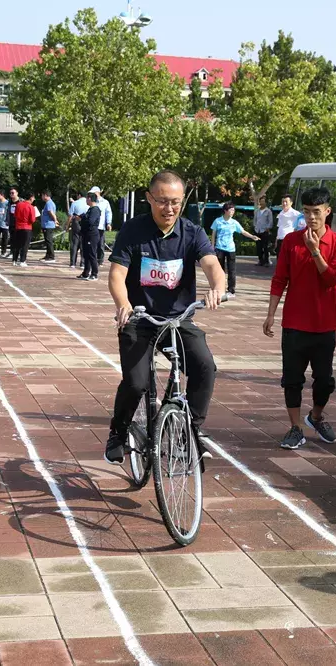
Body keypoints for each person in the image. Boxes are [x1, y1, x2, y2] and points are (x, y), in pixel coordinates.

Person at [104, 169, 227, 464]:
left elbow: (211, 264)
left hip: (178, 319)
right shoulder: (133, 231)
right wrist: (124, 304)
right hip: (140, 320)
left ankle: (190, 432)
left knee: (204, 367)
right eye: (161, 201)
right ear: (149, 199)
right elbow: (117, 275)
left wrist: (217, 288)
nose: (169, 208)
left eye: (175, 202)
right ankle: (117, 433)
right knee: (136, 383)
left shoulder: (192, 232)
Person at [264, 186, 336, 450]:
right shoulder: (290, 241)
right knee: (292, 378)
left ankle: (316, 416)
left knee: (324, 380)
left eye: (317, 212)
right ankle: (296, 426)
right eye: (308, 212)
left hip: (324, 324)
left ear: (327, 211)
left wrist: (315, 251)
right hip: (294, 323)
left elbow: (332, 278)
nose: (312, 217)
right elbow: (280, 279)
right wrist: (270, 314)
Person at [210, 202, 259, 297]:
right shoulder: (218, 221)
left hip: (231, 249)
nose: (232, 212)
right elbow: (213, 233)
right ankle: (219, 289)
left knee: (232, 270)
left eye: (233, 210)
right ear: (225, 211)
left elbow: (243, 231)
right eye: (231, 210)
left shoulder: (234, 222)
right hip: (219, 248)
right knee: (220, 270)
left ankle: (231, 290)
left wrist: (252, 236)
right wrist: (212, 246)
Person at [77, 193, 102, 281]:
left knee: (92, 254)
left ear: (90, 199)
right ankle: (86, 273)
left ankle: (94, 273)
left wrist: (83, 217)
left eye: (87, 199)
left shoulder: (95, 210)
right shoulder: (90, 209)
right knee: (86, 254)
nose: (86, 201)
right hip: (86, 234)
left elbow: (90, 221)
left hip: (92, 235)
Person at [10, 187, 34, 267]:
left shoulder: (18, 205)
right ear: (31, 198)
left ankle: (14, 260)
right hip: (27, 227)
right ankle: (22, 261)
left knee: (17, 244)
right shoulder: (30, 207)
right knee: (25, 245)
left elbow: (15, 215)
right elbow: (32, 219)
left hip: (18, 227)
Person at [90, 186, 112, 266]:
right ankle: (93, 259)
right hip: (92, 226)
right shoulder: (91, 201)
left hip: (101, 226)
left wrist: (108, 223)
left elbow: (108, 213)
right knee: (93, 244)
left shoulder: (105, 202)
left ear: (97, 192)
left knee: (101, 244)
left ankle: (100, 260)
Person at [67, 191, 87, 268]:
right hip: (84, 222)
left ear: (79, 195)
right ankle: (83, 263)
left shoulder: (75, 203)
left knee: (74, 243)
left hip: (76, 222)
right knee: (83, 243)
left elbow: (70, 216)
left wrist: (67, 226)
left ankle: (72, 263)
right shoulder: (88, 203)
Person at [254, 196, 274, 266]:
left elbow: (270, 221)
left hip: (265, 231)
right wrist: (255, 227)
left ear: (266, 203)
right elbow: (255, 220)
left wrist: (267, 229)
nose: (262, 203)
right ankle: (260, 260)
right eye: (261, 201)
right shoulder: (257, 211)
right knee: (258, 247)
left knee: (265, 247)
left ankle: (266, 261)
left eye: (263, 201)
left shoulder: (268, 211)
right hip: (257, 231)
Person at [41, 191, 58, 262]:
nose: (41, 197)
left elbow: (51, 212)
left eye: (42, 195)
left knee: (49, 241)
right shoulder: (48, 203)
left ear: (46, 195)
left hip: (48, 225)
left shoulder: (49, 203)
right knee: (47, 240)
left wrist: (55, 220)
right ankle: (48, 255)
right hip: (46, 224)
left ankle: (51, 256)